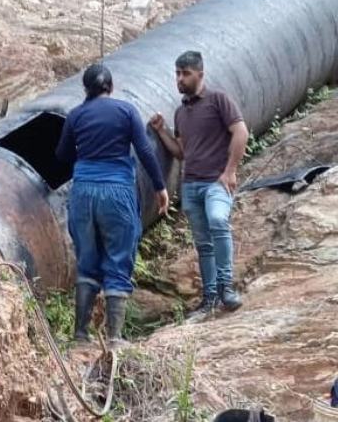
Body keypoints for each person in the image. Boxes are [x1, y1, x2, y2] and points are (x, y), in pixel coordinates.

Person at [56, 63, 169, 347]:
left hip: (83, 193)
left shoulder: (76, 115)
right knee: (119, 257)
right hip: (117, 191)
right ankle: (115, 338)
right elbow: (144, 150)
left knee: (87, 262)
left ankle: (80, 336)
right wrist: (159, 186)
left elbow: (62, 154)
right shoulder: (127, 111)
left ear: (85, 89)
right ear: (111, 86)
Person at [150, 50, 249, 318]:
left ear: (200, 74)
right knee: (203, 243)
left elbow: (240, 131)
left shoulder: (218, 100)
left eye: (186, 73)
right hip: (191, 186)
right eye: (178, 74)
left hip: (216, 182)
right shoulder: (180, 112)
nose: (180, 79)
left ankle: (226, 288)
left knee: (218, 221)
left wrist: (230, 171)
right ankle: (209, 298)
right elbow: (181, 152)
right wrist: (161, 131)